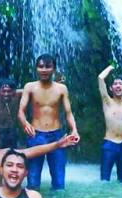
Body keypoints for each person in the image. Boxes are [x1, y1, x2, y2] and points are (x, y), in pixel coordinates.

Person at [18, 54, 79, 190]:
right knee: (33, 179)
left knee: (59, 180)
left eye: (48, 66)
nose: (44, 70)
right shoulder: (30, 87)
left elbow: (68, 112)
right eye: (41, 67)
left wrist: (74, 129)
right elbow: (20, 111)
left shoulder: (61, 88)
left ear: (54, 69)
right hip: (35, 135)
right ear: (36, 68)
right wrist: (25, 123)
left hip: (57, 135)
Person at [98, 64, 122, 182]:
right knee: (104, 180)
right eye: (115, 84)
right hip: (109, 144)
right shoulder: (107, 102)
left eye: (121, 84)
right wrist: (111, 66)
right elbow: (100, 78)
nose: (118, 86)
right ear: (111, 88)